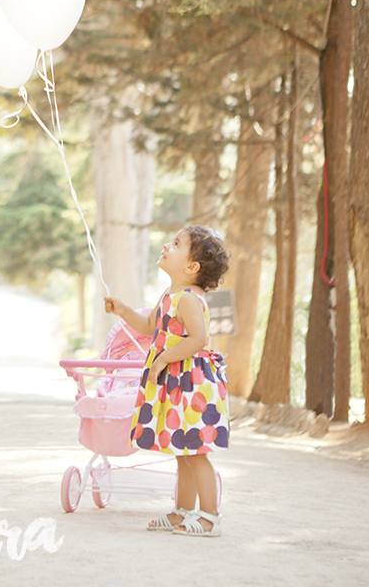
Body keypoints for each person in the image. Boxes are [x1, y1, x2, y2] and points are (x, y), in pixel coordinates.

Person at [104, 225, 230, 536]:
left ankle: (210, 517)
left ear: (191, 267)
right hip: (177, 382)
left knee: (196, 452)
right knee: (182, 449)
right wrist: (123, 310)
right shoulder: (169, 295)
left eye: (175, 244)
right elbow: (149, 326)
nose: (166, 246)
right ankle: (182, 511)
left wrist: (162, 359)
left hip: (192, 384)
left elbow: (199, 339)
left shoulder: (188, 298)